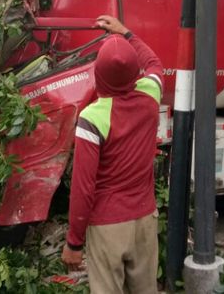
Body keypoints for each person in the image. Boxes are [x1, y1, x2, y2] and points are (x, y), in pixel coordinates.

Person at [62, 15, 163, 294]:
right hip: (144, 220)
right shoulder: (151, 95)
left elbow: (83, 188)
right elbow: (154, 63)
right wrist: (126, 33)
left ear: (99, 74)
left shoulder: (92, 117)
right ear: (134, 74)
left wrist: (74, 242)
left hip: (108, 228)